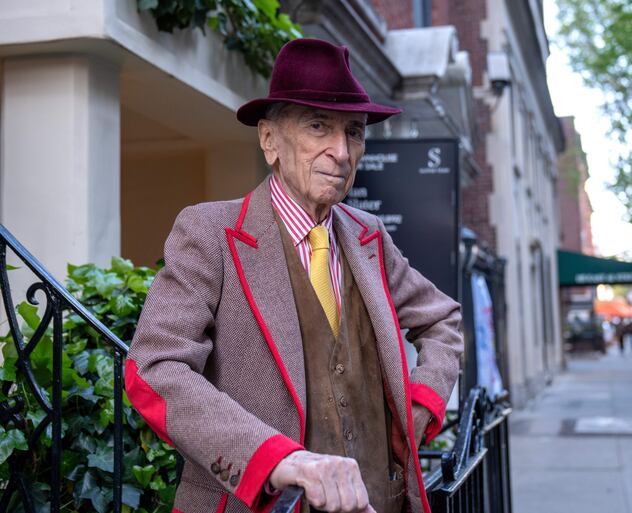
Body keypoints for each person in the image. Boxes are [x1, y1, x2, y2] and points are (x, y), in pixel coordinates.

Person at [124, 38, 463, 513]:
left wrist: (422, 401)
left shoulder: (369, 236)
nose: (341, 151)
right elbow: (155, 371)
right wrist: (277, 460)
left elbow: (443, 319)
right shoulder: (210, 233)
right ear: (269, 140)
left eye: (355, 131)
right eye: (318, 126)